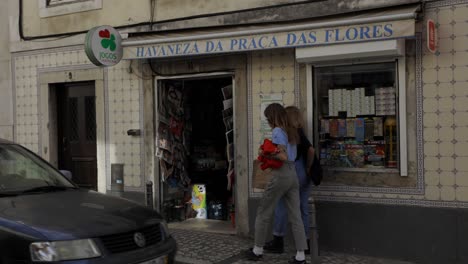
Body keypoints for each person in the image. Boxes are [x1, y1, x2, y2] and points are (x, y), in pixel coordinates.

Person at [246, 103, 308, 264]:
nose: (267, 121)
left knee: (263, 212)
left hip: (281, 175)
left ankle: (257, 250)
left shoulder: (278, 131)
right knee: (296, 216)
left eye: (268, 118)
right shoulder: (292, 131)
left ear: (273, 117)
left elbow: (282, 156)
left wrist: (265, 153)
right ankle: (300, 256)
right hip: (293, 175)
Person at [264, 106, 314, 254]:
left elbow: (307, 151)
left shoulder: (286, 132)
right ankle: (305, 245)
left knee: (281, 206)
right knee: (302, 209)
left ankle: (278, 240)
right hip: (303, 174)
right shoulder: (298, 133)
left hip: (293, 171)